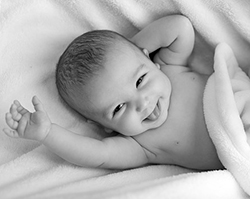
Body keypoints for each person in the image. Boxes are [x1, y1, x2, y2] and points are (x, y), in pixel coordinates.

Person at [3, 15, 224, 170]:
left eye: (140, 80)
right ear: (105, 127)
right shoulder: (140, 144)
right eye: (118, 108)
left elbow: (180, 27)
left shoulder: (170, 67)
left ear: (149, 61)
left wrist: (131, 51)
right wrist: (47, 134)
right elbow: (96, 155)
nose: (141, 102)